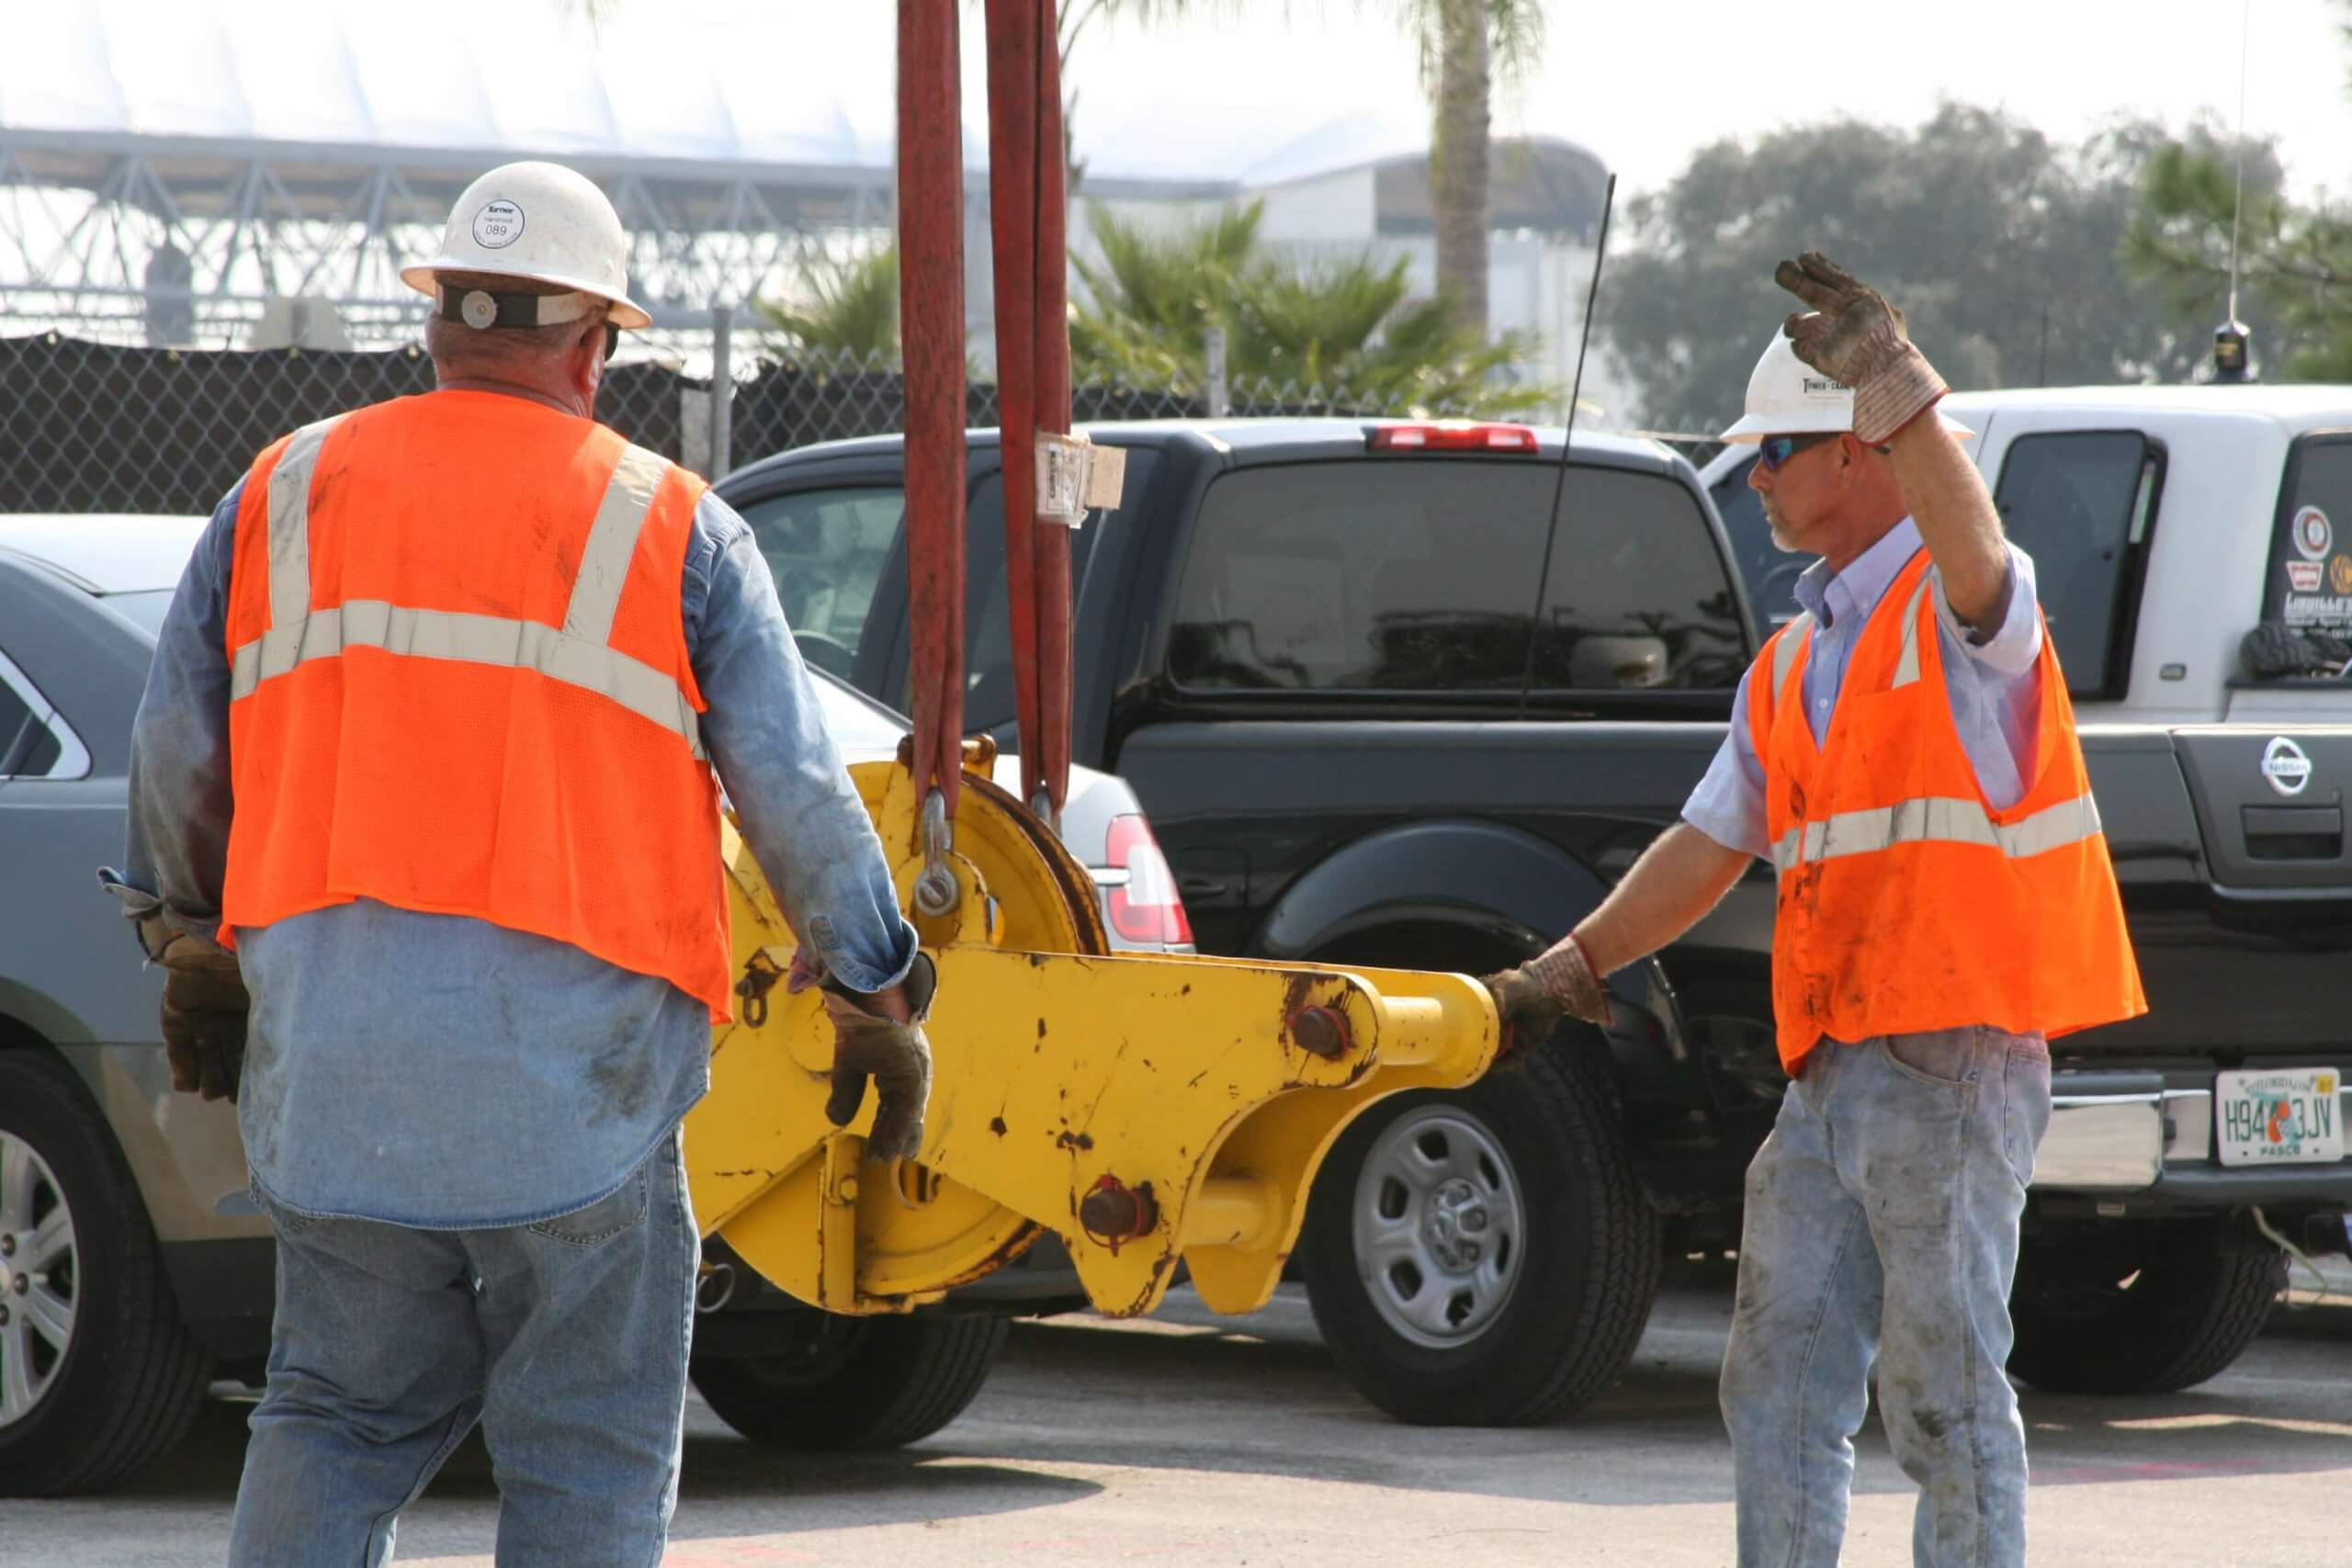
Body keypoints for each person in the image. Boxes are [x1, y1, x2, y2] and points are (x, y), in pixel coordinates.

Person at [103, 160, 933, 1567]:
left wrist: (191, 944)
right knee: (590, 1458)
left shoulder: (280, 490)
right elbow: (792, 789)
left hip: (337, 1078)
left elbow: (177, 751)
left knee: (329, 1417)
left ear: (439, 322)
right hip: (579, 1097)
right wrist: (876, 990)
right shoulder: (672, 523)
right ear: (594, 343)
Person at [1484, 253, 2145, 1567]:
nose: (1757, 476)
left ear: (1859, 452)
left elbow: (1980, 558)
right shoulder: (1798, 657)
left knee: (1943, 1398)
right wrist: (1566, 969)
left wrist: (1899, 384)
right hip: (1832, 1068)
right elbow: (1708, 842)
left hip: (1949, 1060)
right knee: (1778, 1385)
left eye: (1778, 448)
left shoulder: (1962, 612)